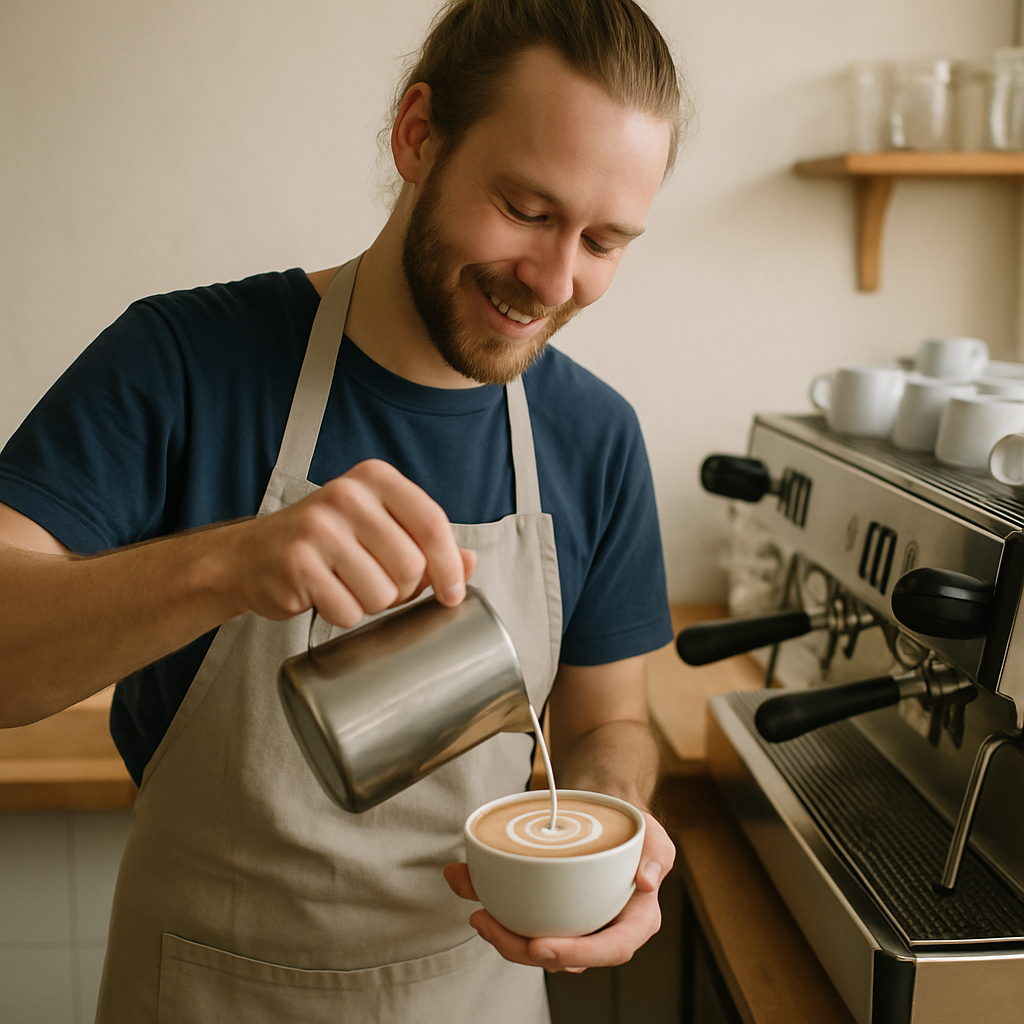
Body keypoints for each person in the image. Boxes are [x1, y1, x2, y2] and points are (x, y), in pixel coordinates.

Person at [0, 0, 687, 1020]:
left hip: (476, 997)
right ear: (419, 136)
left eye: (604, 240)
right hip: (205, 990)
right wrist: (226, 565)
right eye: (527, 210)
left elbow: (612, 720)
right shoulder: (182, 363)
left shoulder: (595, 437)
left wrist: (612, 830)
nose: (552, 279)